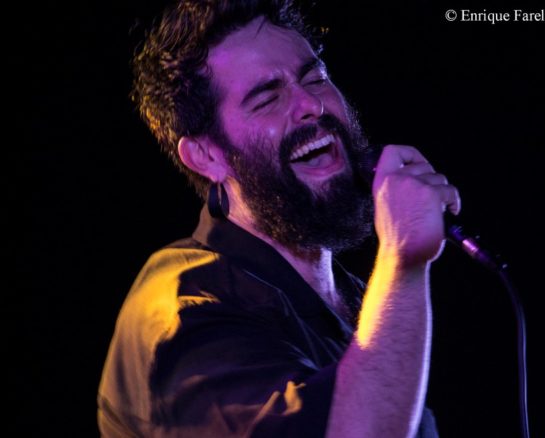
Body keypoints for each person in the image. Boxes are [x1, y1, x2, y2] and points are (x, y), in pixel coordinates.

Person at [97, 1, 460, 437]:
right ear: (207, 156)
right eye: (268, 98)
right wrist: (403, 263)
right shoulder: (184, 310)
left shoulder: (356, 300)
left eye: (315, 78)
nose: (311, 105)